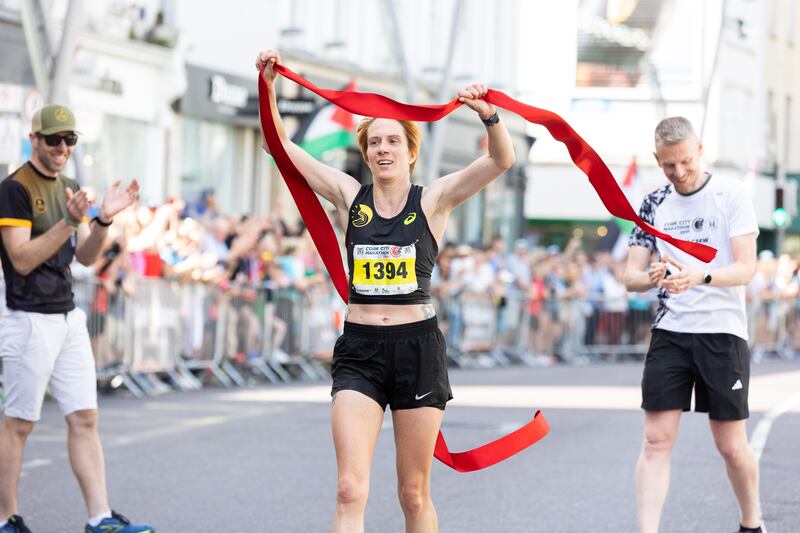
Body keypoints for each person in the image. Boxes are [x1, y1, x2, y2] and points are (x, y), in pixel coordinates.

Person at [256, 50, 516, 533]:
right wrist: (267, 87)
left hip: (416, 350)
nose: (383, 149)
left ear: (410, 151)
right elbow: (278, 147)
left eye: (393, 140)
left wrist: (490, 116)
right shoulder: (349, 195)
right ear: (366, 151)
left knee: (413, 495)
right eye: (375, 141)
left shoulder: (433, 199)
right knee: (349, 489)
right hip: (360, 352)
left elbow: (503, 159)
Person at [0, 105, 154, 533]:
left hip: (67, 316)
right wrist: (68, 223)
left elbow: (86, 256)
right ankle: (4, 519)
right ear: (34, 139)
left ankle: (99, 518)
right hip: (27, 316)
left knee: (85, 417)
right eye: (54, 139)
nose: (62, 147)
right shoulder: (14, 189)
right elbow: (21, 259)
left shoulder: (69, 185)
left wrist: (103, 218)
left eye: (69, 140)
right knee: (19, 423)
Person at [623, 116, 761, 533]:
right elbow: (630, 275)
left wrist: (701, 275)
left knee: (731, 446)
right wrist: (646, 279)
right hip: (671, 332)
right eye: (669, 166)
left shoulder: (730, 193)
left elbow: (746, 268)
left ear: (699, 149)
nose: (679, 173)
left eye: (684, 161)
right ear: (657, 160)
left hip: (722, 332)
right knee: (655, 441)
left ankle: (751, 523)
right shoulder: (653, 202)